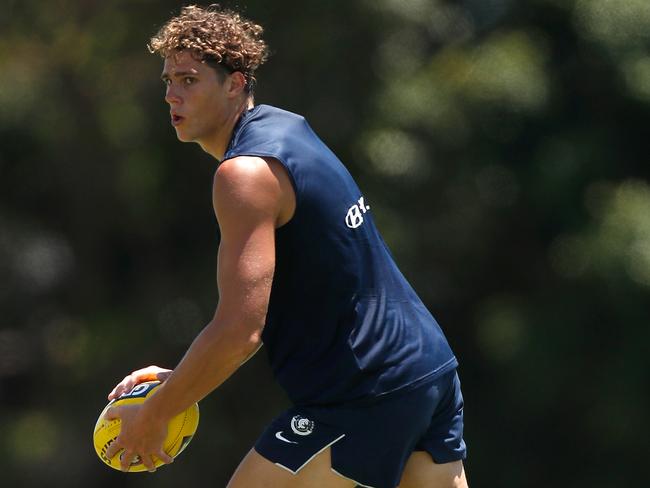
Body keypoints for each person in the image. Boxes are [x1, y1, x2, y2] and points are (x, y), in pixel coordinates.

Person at [104, 5, 469, 488]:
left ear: (235, 84)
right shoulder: (288, 129)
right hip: (426, 370)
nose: (172, 94)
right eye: (168, 80)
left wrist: (156, 414)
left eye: (189, 80)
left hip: (364, 394)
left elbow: (239, 333)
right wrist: (179, 382)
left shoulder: (244, 174)